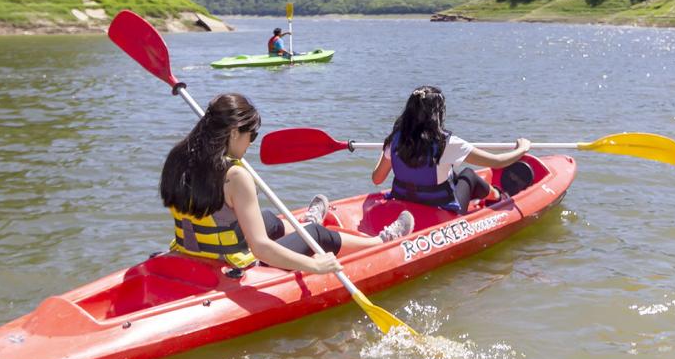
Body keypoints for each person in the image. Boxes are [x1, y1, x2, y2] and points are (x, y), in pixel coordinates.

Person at [162, 93, 414, 274]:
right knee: (316, 235)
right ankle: (380, 242)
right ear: (234, 132)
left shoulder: (178, 157)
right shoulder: (236, 176)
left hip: (191, 250)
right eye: (252, 135)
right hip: (230, 260)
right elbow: (260, 248)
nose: (251, 143)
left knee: (267, 218)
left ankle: (305, 222)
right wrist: (315, 265)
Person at [372, 85, 531, 214]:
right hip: (438, 208)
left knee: (451, 174)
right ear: (437, 114)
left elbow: (377, 179)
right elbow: (497, 162)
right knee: (468, 174)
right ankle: (498, 196)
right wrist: (522, 149)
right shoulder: (446, 143)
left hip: (404, 199)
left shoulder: (396, 139)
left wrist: (387, 149)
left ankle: (492, 195)